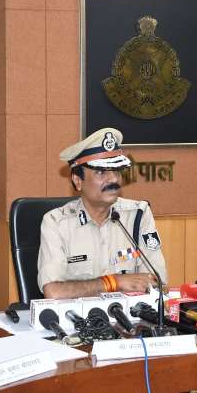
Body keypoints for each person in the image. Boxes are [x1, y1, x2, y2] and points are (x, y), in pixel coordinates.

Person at [38, 128, 167, 299]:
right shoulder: (56, 222)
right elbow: (53, 292)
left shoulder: (138, 215)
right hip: (79, 315)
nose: (113, 179)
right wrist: (113, 282)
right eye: (101, 172)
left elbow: (157, 283)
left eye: (117, 171)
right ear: (78, 181)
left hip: (129, 314)